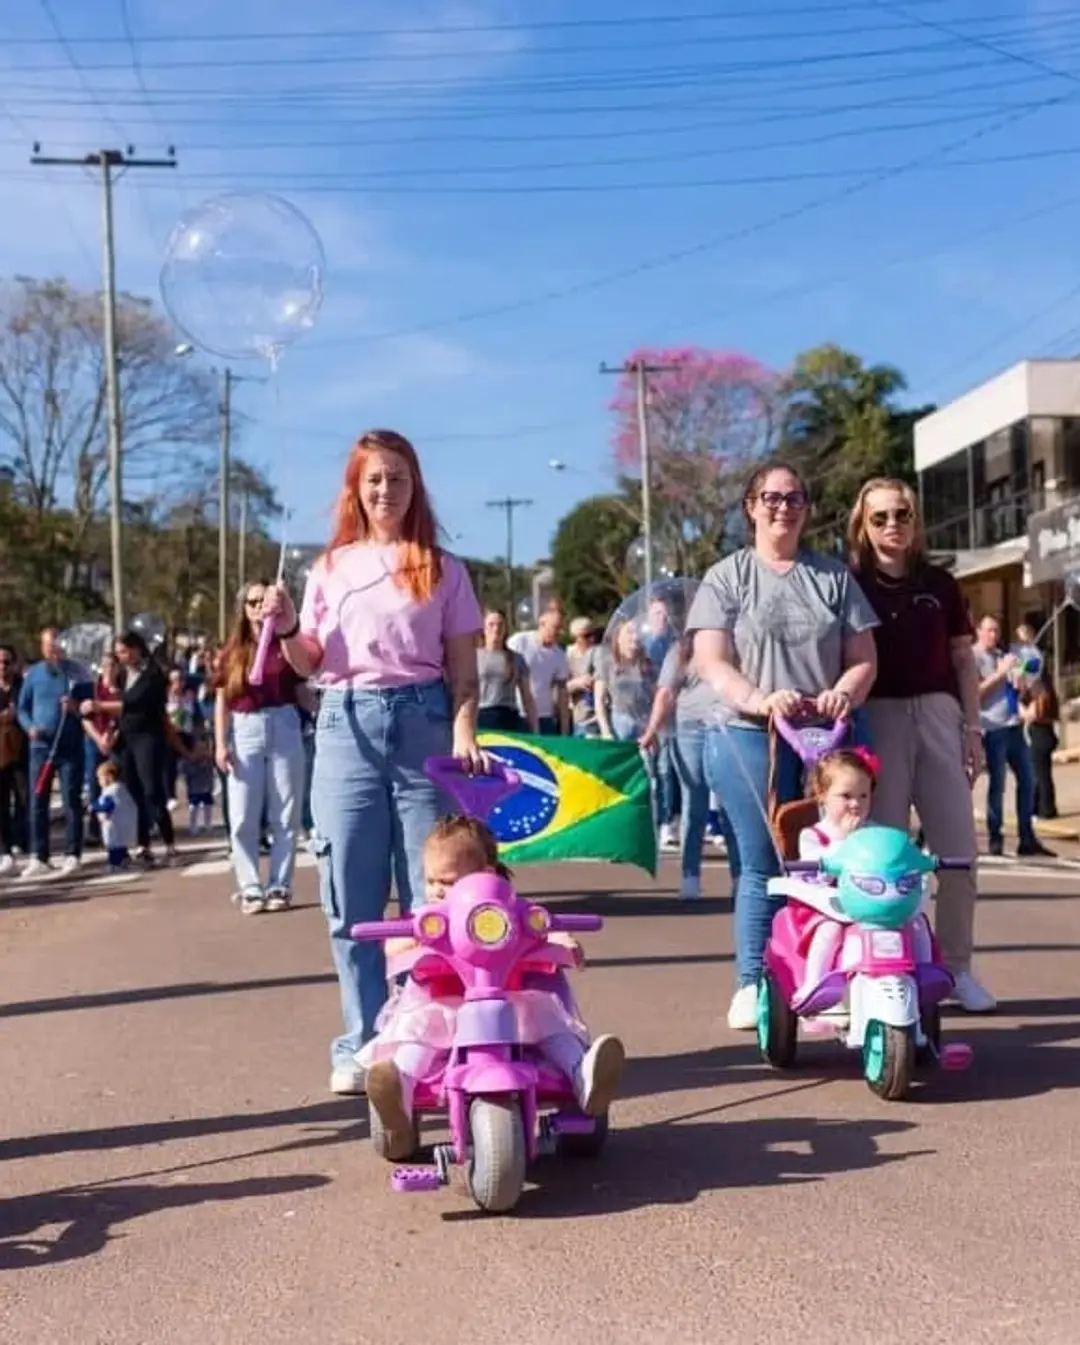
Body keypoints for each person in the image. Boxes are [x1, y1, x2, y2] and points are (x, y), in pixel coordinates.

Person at [261, 428, 486, 1097]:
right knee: (349, 896)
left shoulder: (444, 568)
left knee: (434, 895)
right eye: (374, 480)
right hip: (343, 722)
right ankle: (361, 1042)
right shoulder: (329, 567)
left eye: (398, 478)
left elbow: (465, 676)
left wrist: (465, 731)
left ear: (416, 486)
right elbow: (309, 659)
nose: (387, 490)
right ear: (356, 491)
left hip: (423, 721)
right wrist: (280, 626)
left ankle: (428, 1038)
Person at [688, 461, 879, 1031]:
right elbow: (712, 660)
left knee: (839, 857)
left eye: (795, 498)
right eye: (771, 497)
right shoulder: (726, 577)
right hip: (750, 736)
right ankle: (752, 983)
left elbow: (864, 658)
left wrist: (844, 692)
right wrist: (758, 697)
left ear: (807, 508)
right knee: (764, 862)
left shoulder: (834, 578)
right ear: (751, 506)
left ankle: (844, 972)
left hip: (829, 736)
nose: (783, 507)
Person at [359, 814, 626, 1158]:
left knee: (552, 1025)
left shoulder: (510, 911)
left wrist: (565, 941)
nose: (438, 889)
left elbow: (541, 923)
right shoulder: (429, 916)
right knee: (419, 1037)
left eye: (450, 881)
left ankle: (585, 1077)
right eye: (431, 880)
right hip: (446, 1004)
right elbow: (392, 945)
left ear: (484, 877)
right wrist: (413, 938)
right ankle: (397, 1093)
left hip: (510, 1002)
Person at [848, 477, 998, 1011]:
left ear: (916, 521)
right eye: (881, 517)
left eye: (903, 514)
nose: (893, 525)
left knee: (958, 851)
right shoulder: (849, 583)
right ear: (862, 525)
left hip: (939, 716)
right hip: (877, 720)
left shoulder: (941, 583)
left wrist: (973, 729)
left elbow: (962, 659)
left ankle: (957, 969)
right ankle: (886, 965)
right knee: (882, 857)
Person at [215, 580, 306, 915]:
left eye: (263, 601)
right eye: (252, 602)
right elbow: (222, 697)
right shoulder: (233, 651)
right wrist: (220, 743)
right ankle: (250, 886)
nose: (258, 607)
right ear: (244, 607)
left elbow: (302, 688)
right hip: (245, 726)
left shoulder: (283, 643)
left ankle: (280, 884)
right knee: (241, 814)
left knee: (286, 811)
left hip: (284, 721)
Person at [640, 636, 734, 900]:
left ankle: (740, 875)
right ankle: (690, 874)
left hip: (727, 722)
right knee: (695, 799)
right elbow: (666, 692)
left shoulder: (733, 641)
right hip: (690, 726)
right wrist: (651, 730)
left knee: (731, 800)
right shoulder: (680, 649)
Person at [80, 630, 176, 868]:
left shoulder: (153, 674)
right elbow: (114, 702)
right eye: (118, 653)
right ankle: (143, 844)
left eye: (124, 652)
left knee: (151, 789)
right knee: (131, 792)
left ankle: (168, 840)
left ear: (135, 649)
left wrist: (102, 705)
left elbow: (134, 703)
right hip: (125, 738)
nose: (121, 657)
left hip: (147, 736)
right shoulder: (122, 676)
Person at [973, 614, 1052, 861]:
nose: (993, 636)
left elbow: (1016, 690)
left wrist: (1020, 681)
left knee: (1028, 781)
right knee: (998, 785)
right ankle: (996, 838)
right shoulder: (973, 658)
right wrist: (999, 673)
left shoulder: (1002, 656)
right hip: (992, 728)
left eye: (996, 631)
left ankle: (1026, 837)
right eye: (989, 631)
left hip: (1013, 726)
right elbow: (976, 694)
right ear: (979, 631)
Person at [17, 627, 90, 879]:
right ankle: (39, 855)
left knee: (71, 799)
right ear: (42, 648)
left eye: (58, 646)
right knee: (38, 802)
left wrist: (75, 707)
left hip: (70, 746)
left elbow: (90, 707)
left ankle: (73, 853)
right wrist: (29, 728)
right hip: (40, 748)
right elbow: (22, 709)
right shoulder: (33, 675)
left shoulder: (77, 673)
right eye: (49, 646)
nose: (54, 651)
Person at [476, 608, 537, 733]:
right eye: (491, 625)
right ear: (483, 628)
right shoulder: (473, 657)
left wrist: (535, 728)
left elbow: (527, 696)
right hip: (482, 715)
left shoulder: (516, 658)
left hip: (508, 716)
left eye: (500, 624)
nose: (496, 629)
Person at [515, 605, 569, 735]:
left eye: (561, 628)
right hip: (520, 713)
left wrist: (564, 729)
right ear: (542, 624)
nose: (558, 632)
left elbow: (562, 692)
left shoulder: (559, 655)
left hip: (545, 716)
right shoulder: (520, 642)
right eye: (555, 627)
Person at [0, 644, 27, 874]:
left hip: (22, 749)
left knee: (24, 797)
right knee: (1, 802)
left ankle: (21, 840)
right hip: (0, 751)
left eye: (7, 662)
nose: (2, 667)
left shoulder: (22, 686)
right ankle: (5, 847)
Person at [1021, 676, 1059, 820]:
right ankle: (1045, 807)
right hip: (1047, 734)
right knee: (1043, 774)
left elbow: (1032, 715)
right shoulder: (1049, 691)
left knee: (1039, 775)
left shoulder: (1040, 693)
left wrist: (1021, 708)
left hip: (1040, 735)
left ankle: (1044, 809)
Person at [90, 759, 138, 873]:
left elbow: (107, 805)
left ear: (109, 777)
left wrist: (94, 807)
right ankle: (124, 858)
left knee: (113, 844)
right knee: (120, 843)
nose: (99, 781)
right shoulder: (121, 789)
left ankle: (115, 863)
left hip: (113, 824)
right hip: (122, 822)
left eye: (100, 778)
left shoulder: (111, 792)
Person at [565, 617, 600, 737]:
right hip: (580, 719)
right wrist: (577, 683)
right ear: (575, 637)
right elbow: (558, 690)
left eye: (593, 634)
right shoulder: (567, 657)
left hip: (600, 718)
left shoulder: (599, 653)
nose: (591, 639)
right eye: (586, 635)